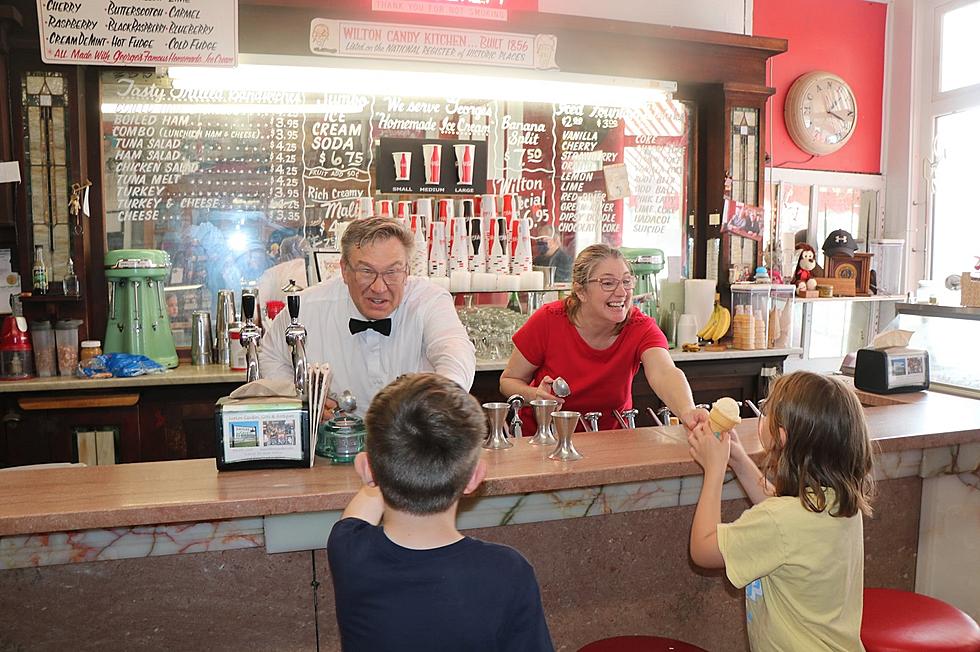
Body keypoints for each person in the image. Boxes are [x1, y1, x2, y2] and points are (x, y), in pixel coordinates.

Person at [328, 373, 555, 652]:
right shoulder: (507, 572)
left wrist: (382, 462)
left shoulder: (349, 549)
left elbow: (362, 506)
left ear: (366, 470)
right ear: (475, 478)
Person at [687, 372, 875, 652]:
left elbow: (702, 549)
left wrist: (714, 470)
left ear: (782, 436)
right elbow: (787, 521)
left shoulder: (781, 520)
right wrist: (737, 458)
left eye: (768, 409)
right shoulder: (839, 502)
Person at [260, 218, 475, 412]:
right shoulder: (308, 307)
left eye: (392, 272)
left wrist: (439, 403)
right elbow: (271, 353)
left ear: (407, 271)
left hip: (412, 446)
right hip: (333, 446)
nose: (379, 287)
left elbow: (455, 352)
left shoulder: (429, 301)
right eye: (366, 272)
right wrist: (302, 401)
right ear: (344, 270)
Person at [500, 243, 706, 431]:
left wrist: (687, 411)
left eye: (626, 281)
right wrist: (535, 396)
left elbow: (665, 372)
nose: (621, 292)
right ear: (580, 291)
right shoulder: (549, 320)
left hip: (611, 444)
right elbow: (509, 380)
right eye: (608, 283)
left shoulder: (639, 326)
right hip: (545, 440)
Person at [256, 234, 309, 311]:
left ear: (281, 252)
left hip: (281, 321)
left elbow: (257, 309)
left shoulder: (272, 273)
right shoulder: (317, 270)